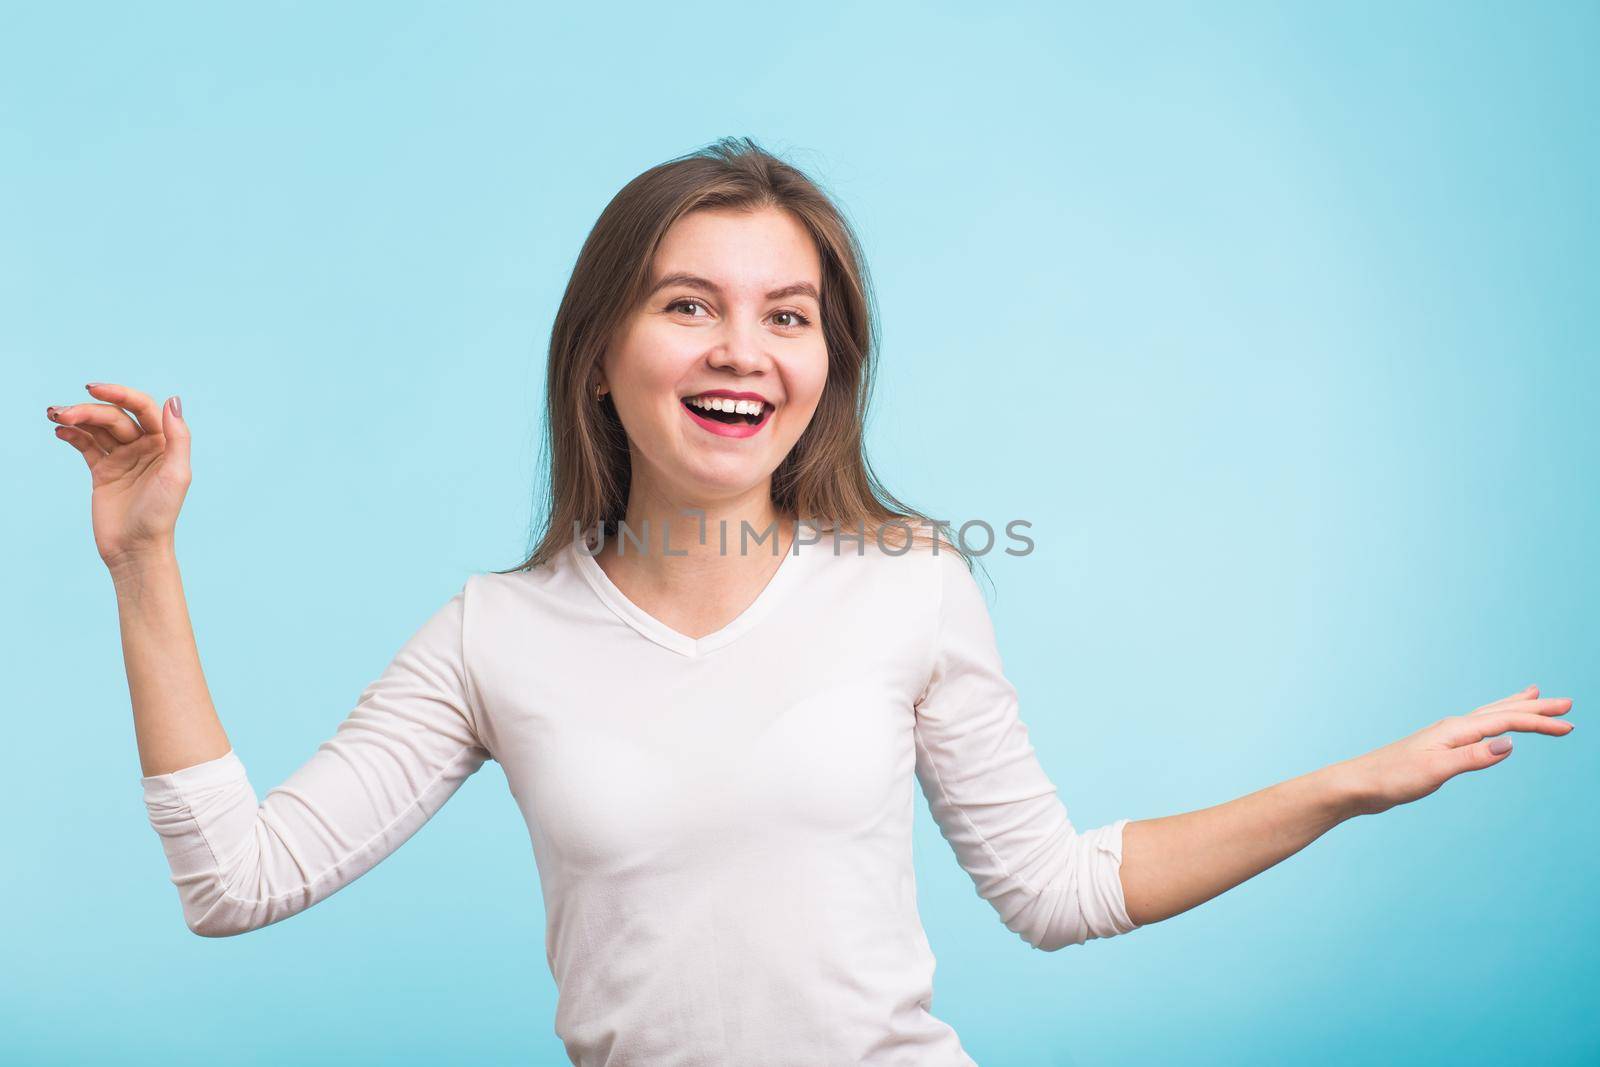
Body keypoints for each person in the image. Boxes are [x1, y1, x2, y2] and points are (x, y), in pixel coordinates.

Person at [48, 137, 1575, 1066]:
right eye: (687, 305)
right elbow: (234, 884)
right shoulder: (491, 637)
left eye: (790, 316)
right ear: (601, 351)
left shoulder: (913, 584)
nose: (744, 350)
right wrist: (144, 559)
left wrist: (1344, 789)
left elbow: (1055, 889)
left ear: (827, 364)